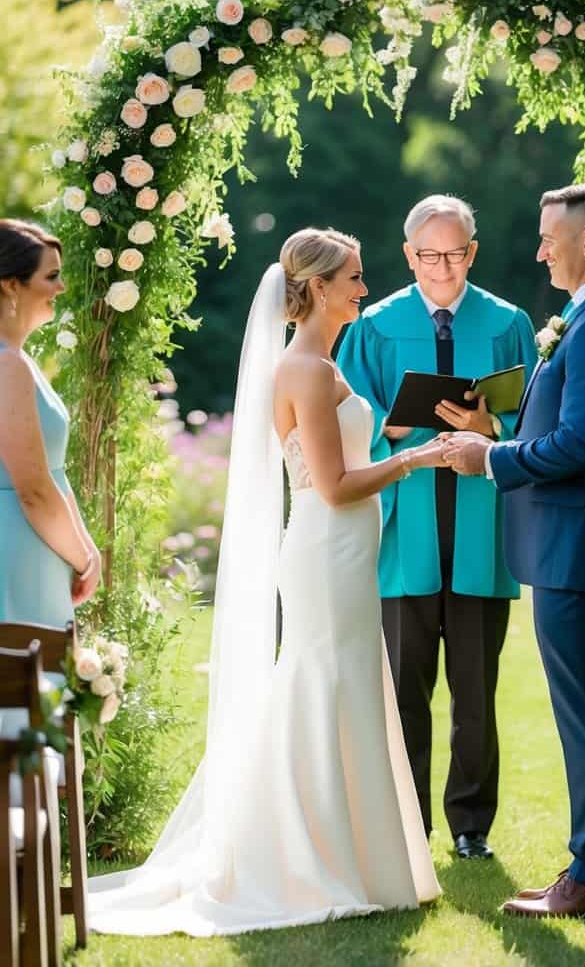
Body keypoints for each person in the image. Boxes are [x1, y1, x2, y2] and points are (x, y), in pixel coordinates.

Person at [88, 227, 443, 937]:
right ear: (315, 287)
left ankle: (356, 855)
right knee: (321, 682)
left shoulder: (324, 361)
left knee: (346, 680)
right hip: (325, 544)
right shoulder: (305, 370)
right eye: (353, 279)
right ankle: (295, 856)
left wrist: (403, 444)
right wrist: (420, 458)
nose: (363, 290)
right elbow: (336, 487)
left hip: (341, 548)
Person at [444, 183, 585, 918]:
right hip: (572, 546)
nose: (537, 249)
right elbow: (562, 435)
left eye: (547, 236)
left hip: (580, 548)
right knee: (584, 711)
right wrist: (494, 434)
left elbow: (581, 443)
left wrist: (490, 461)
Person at [338, 195, 537, 860]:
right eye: (428, 255)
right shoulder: (374, 325)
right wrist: (387, 425)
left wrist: (491, 427)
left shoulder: (508, 324)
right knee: (404, 690)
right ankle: (406, 821)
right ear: (407, 255)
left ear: (471, 253)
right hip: (406, 531)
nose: (442, 268)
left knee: (476, 693)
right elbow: (345, 422)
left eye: (454, 254)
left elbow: (534, 422)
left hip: (481, 529)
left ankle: (471, 827)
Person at [0, 220, 101, 630]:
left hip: (41, 544)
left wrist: (86, 547)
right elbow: (35, 491)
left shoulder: (19, 361)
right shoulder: (7, 366)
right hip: (17, 548)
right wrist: (82, 559)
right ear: (11, 285)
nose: (61, 288)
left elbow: (54, 474)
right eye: (51, 276)